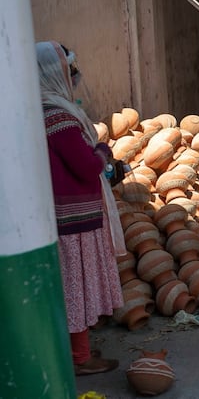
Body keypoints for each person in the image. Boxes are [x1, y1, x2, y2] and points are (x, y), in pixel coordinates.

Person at [37, 41, 124, 375]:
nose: (74, 76)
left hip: (65, 213)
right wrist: (103, 150)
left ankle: (77, 349)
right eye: (67, 70)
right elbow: (86, 167)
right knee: (76, 288)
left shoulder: (43, 110)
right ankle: (80, 358)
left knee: (72, 286)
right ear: (53, 74)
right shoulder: (57, 116)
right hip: (72, 219)